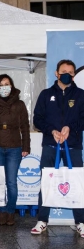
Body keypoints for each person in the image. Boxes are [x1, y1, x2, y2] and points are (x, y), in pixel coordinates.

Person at [31, 59, 84, 237]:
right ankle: (42, 220)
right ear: (56, 73)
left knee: (77, 183)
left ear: (74, 74)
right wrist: (51, 130)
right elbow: (37, 119)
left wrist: (71, 127)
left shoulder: (81, 95)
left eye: (70, 72)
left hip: (73, 145)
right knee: (46, 182)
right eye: (63, 71)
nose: (66, 74)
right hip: (50, 145)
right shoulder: (46, 94)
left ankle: (81, 222)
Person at [0, 74, 30, 226]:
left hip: (15, 147)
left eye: (7, 83)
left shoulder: (20, 104)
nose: (5, 87)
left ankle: (10, 211)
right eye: (2, 84)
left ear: (12, 85)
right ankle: (2, 211)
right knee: (0, 182)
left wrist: (26, 146)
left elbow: (25, 127)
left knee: (11, 182)